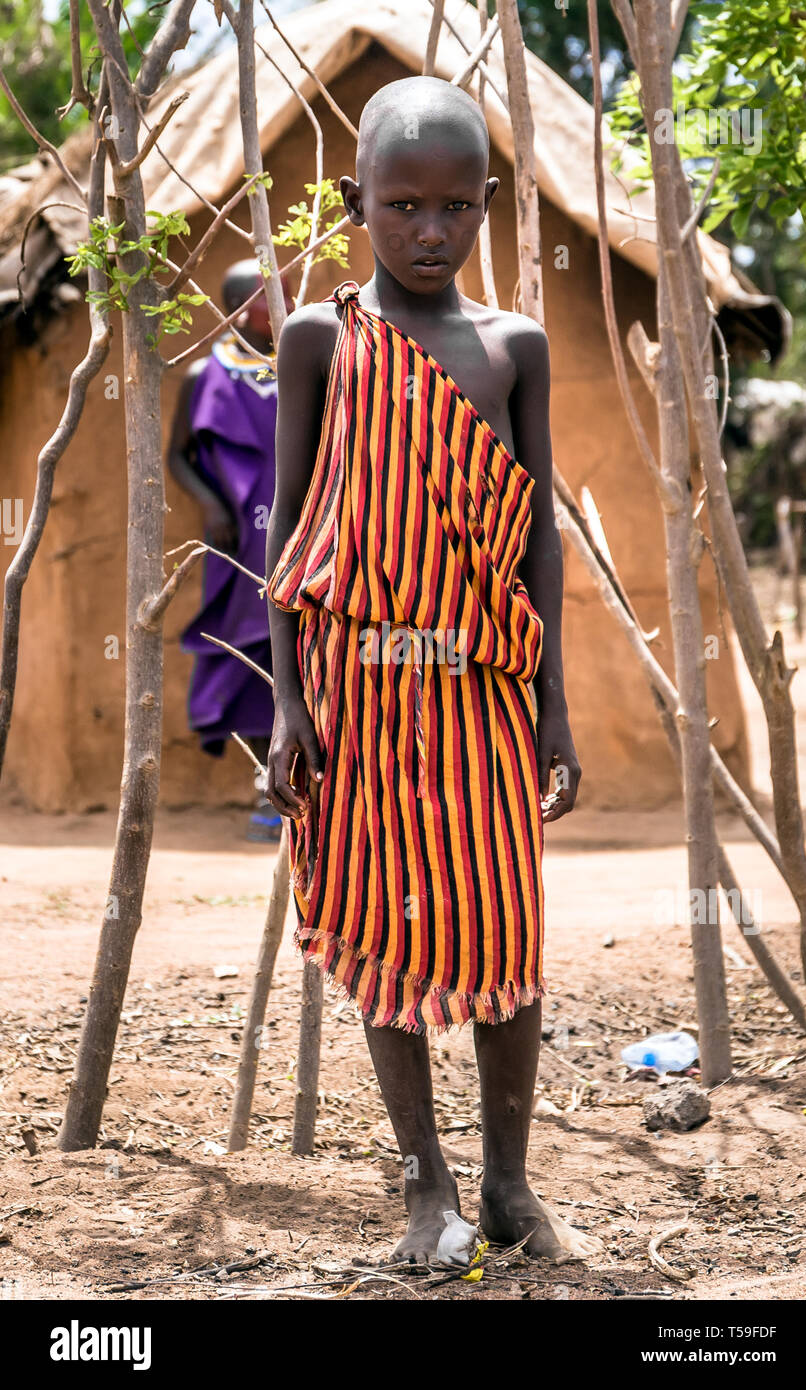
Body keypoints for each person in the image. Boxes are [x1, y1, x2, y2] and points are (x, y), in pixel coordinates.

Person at [265, 77, 600, 1265]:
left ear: (487, 208)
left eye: (454, 208)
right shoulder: (320, 339)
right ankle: (427, 1188)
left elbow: (538, 536)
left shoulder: (515, 348)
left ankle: (508, 1184)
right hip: (356, 695)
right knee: (379, 928)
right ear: (356, 202)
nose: (426, 230)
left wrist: (555, 700)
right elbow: (289, 525)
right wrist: (290, 698)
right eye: (400, 205)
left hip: (482, 694)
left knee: (503, 934)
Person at [167, 261, 293, 840]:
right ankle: (268, 791)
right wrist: (213, 505)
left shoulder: (303, 363)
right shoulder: (204, 374)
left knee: (305, 653)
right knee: (249, 656)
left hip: (302, 533)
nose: (286, 304)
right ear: (245, 309)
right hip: (241, 540)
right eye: (275, 297)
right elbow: (179, 457)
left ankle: (309, 789)